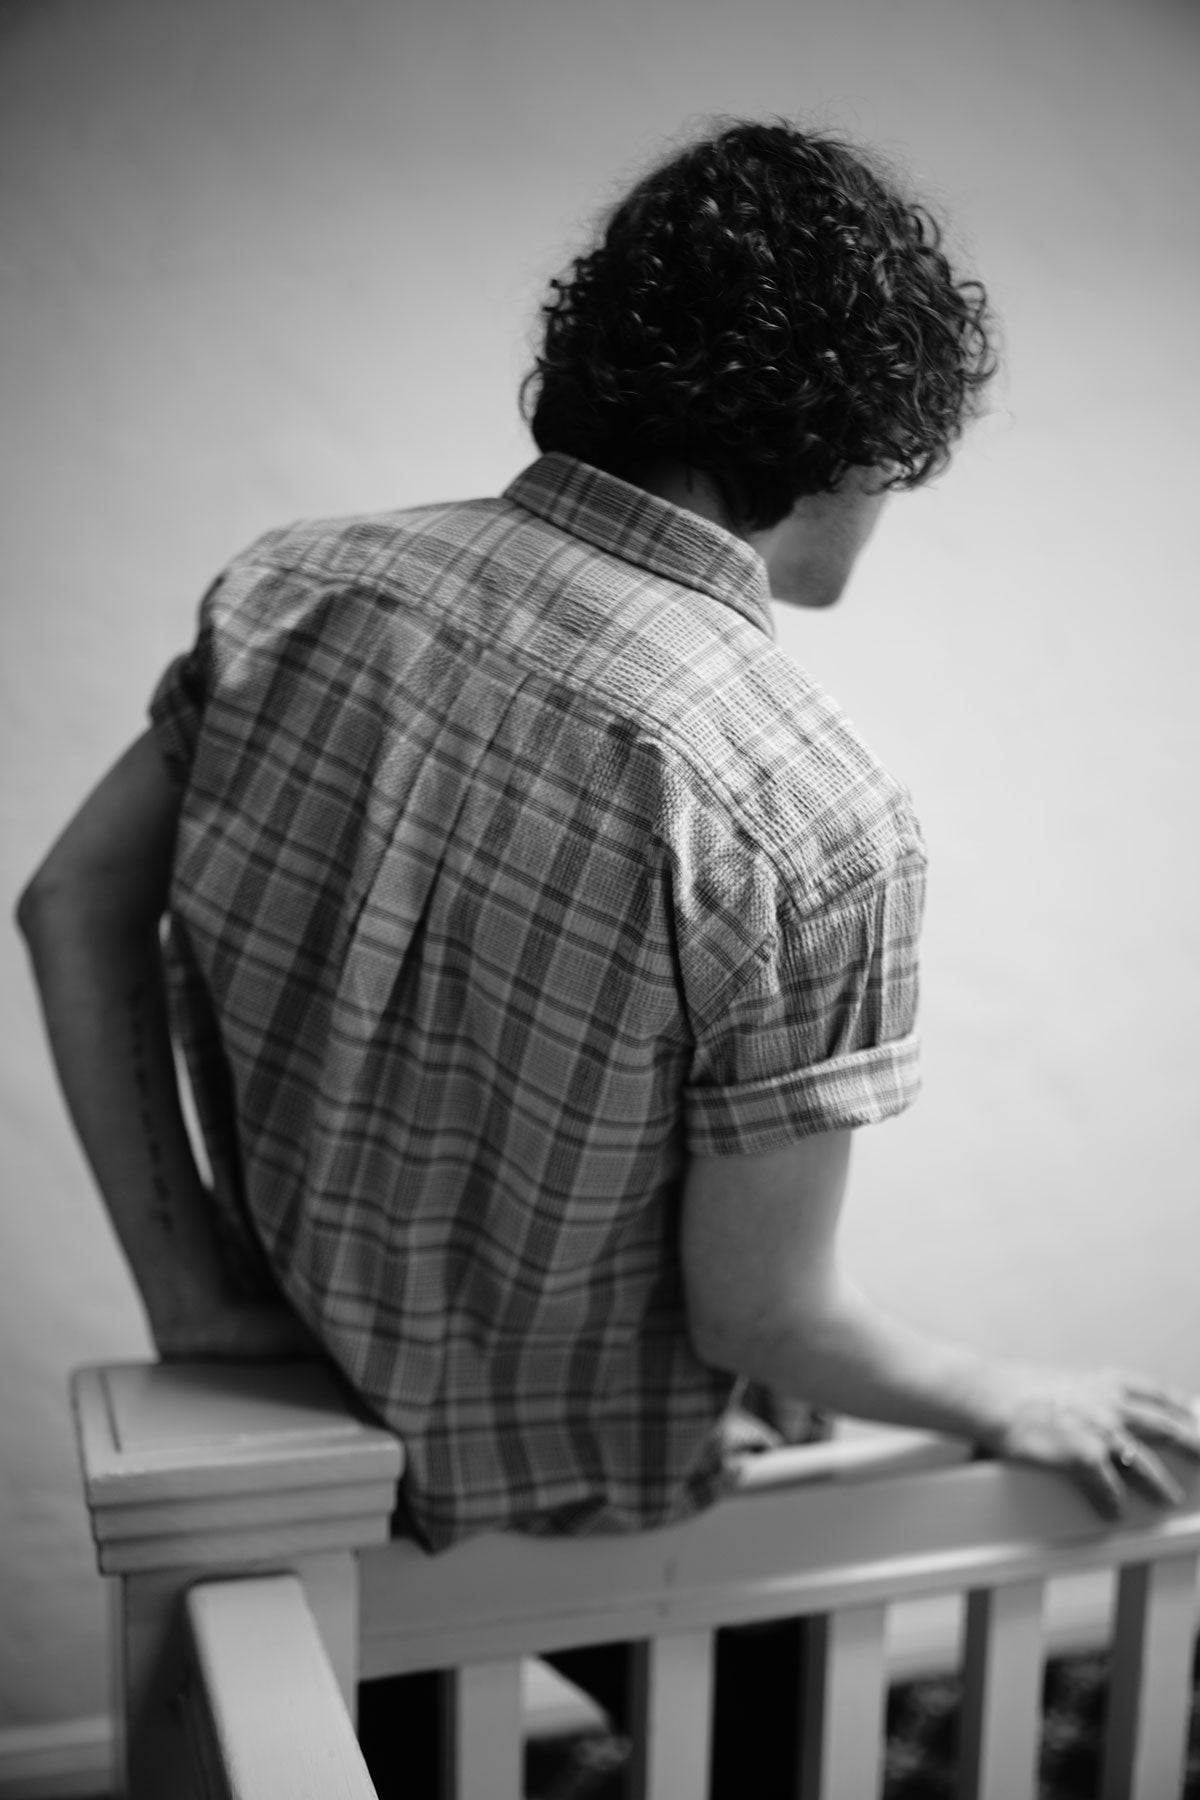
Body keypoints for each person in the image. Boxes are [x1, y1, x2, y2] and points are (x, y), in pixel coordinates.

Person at [18, 118, 1199, 1796]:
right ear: (840, 439)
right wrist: (1010, 1394)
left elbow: (68, 903)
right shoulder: (811, 803)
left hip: (324, 1474)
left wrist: (189, 1286)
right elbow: (770, 1318)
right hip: (611, 1502)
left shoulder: (292, 587)